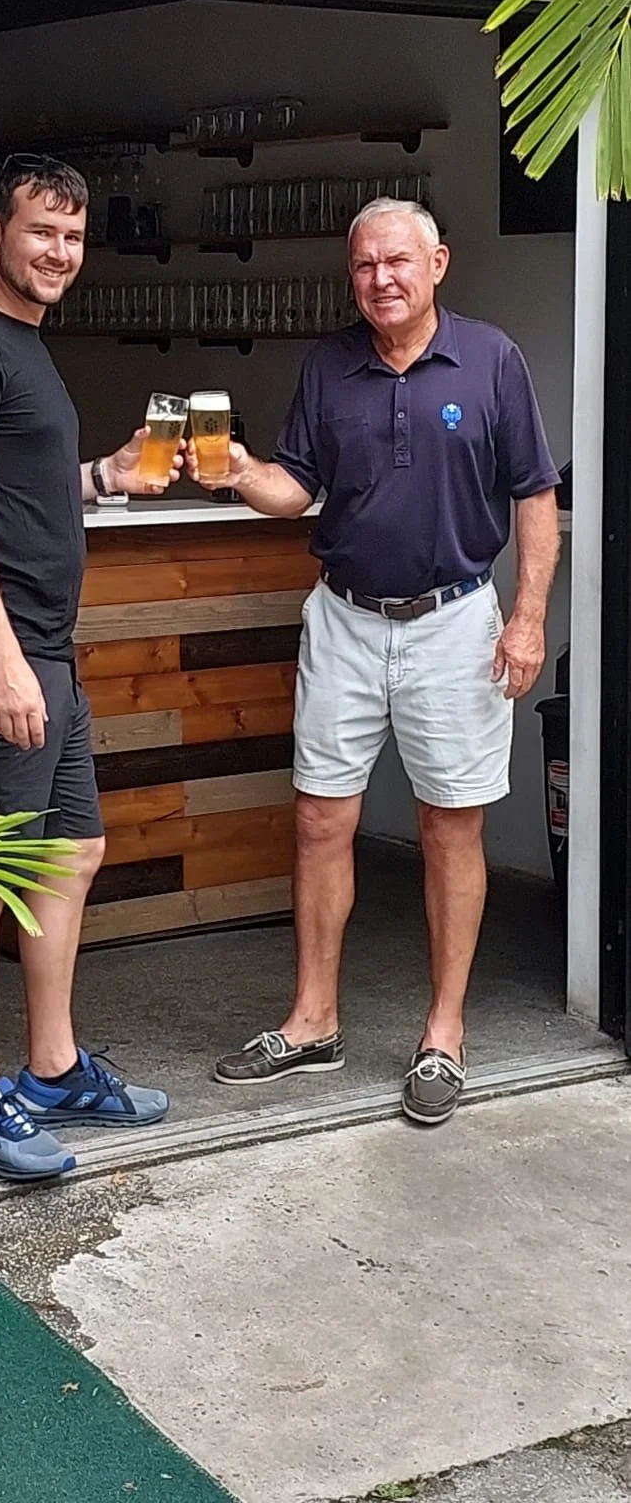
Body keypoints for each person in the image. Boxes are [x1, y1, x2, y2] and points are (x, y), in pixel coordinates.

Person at [188, 198, 560, 1126]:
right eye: (363, 266)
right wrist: (239, 474)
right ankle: (313, 1023)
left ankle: (444, 1034)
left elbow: (535, 498)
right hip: (345, 619)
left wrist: (526, 620)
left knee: (449, 829)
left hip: (455, 620)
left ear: (439, 261)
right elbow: (297, 487)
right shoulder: (328, 363)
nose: (381, 280)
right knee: (319, 821)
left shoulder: (493, 361)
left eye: (397, 261)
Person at [0, 153, 176, 1182]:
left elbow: (15, 480)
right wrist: (4, 660)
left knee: (74, 850)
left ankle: (54, 1064)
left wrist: (106, 472)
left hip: (43, 654)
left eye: (71, 235)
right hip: (1, 658)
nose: (58, 251)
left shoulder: (23, 345)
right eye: (39, 231)